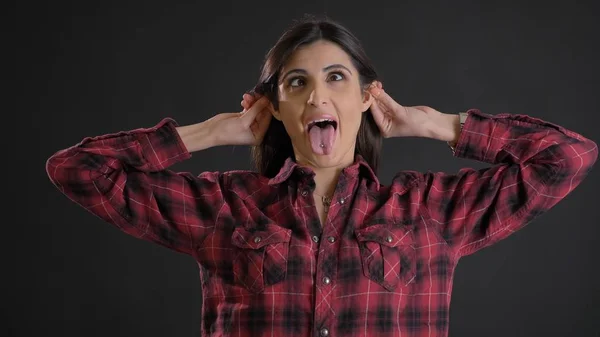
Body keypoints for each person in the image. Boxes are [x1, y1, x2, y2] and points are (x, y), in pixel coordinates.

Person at [46, 15, 597, 337]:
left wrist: (436, 124)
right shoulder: (225, 207)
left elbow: (566, 158)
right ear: (277, 108)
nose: (317, 96)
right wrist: (211, 132)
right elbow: (77, 170)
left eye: (336, 78)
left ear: (366, 98)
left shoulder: (429, 214)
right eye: (295, 84)